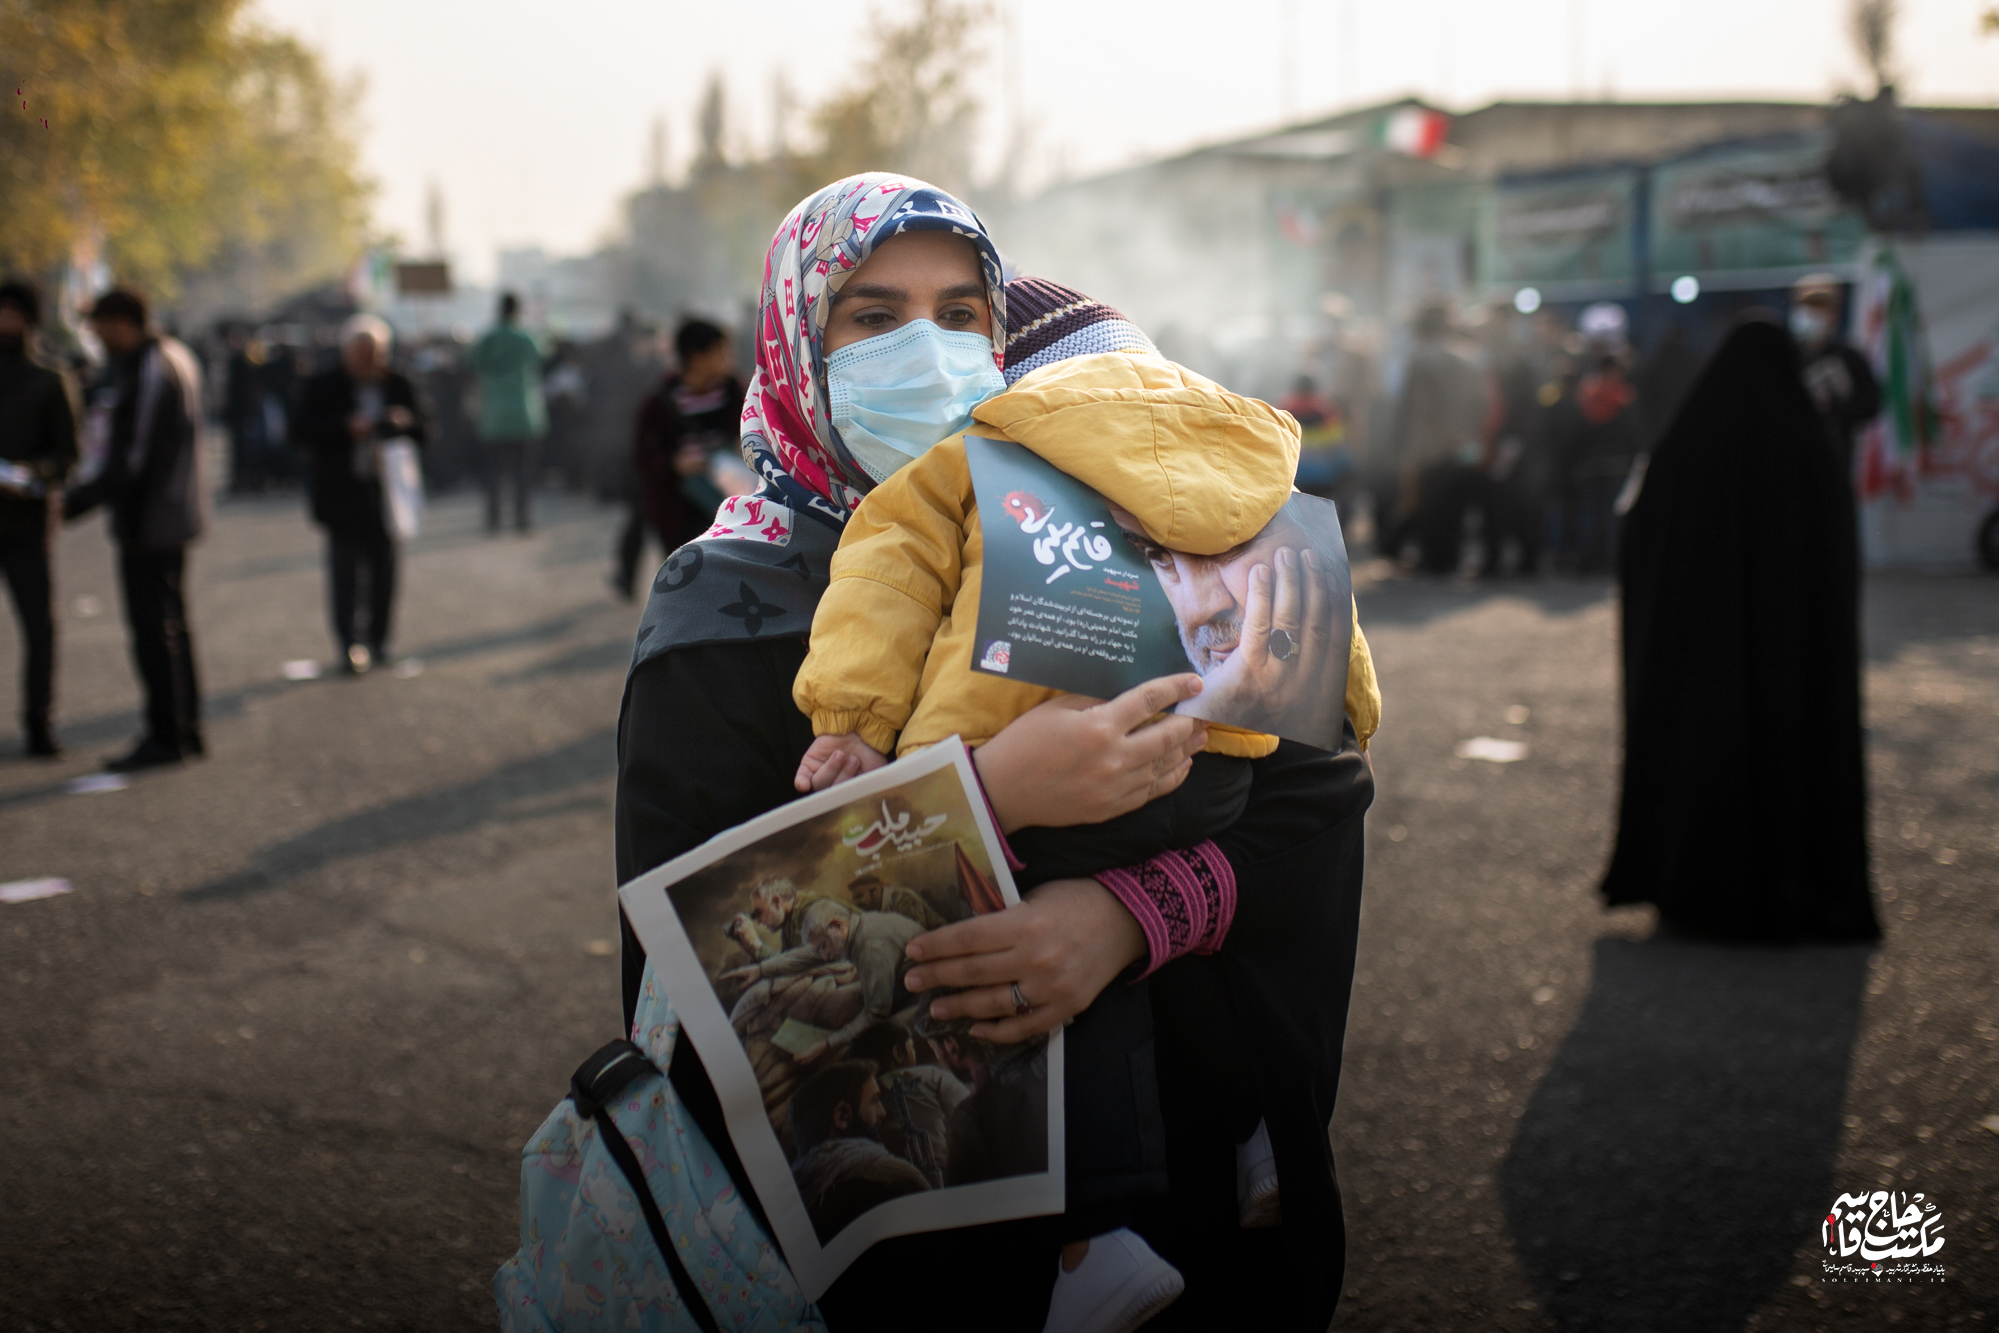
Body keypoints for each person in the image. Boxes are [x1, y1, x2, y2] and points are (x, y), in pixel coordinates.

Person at [613, 176, 1377, 1332]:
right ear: (795, 343)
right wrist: (984, 795)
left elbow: (1314, 792)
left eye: (962, 314)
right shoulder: (727, 608)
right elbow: (689, 966)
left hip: (1174, 1207)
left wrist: (1129, 913)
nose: (927, 349)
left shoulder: (1108, 538)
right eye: (872, 318)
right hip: (915, 1255)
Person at [1601, 317, 1881, 943]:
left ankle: (1697, 886)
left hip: (1705, 675)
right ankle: (1794, 885)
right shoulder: (1808, 455)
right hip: (1793, 675)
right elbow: (1835, 568)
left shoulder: (1686, 451)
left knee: (1707, 766)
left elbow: (1642, 540)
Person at [65, 290, 206, 772]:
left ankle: (167, 734)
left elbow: (132, 458)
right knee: (173, 625)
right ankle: (185, 727)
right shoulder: (175, 356)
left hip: (152, 517)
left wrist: (72, 505)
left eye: (101, 326)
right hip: (172, 512)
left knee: (153, 630)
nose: (99, 338)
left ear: (121, 323)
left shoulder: (150, 368)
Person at [294, 315, 429, 674]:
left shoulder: (398, 383)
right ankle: (349, 643)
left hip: (387, 493)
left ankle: (380, 639)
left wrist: (403, 423)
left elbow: (426, 428)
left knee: (385, 571)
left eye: (375, 356)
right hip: (342, 491)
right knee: (345, 573)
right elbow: (300, 429)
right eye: (361, 356)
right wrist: (344, 428)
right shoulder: (324, 384)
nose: (369, 364)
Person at [0, 279, 78, 758]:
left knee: (39, 628)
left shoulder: (48, 379)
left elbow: (67, 453)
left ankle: (39, 720)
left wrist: (33, 474)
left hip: (24, 520)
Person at [616, 317, 745, 600]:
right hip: (678, 508)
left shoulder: (737, 393)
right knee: (689, 583)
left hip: (729, 504)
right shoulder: (659, 403)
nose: (728, 360)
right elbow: (642, 456)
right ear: (696, 357)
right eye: (721, 353)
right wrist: (675, 464)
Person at [1385, 301, 1488, 573]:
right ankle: (1450, 559)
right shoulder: (1469, 357)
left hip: (1428, 447)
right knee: (1455, 507)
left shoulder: (1420, 360)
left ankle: (1432, 561)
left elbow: (1413, 408)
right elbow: (1480, 402)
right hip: (1462, 444)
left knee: (1429, 506)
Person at [787, 1060, 932, 1240]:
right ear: (842, 1117)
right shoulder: (899, 1180)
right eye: (874, 1101)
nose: (882, 1112)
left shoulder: (795, 1204)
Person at [845, 1022, 969, 1189]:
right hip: (953, 1178)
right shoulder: (932, 1076)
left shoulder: (857, 1104)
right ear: (897, 1053)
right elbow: (970, 1116)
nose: (914, 1054)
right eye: (912, 1048)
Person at [1789, 274, 1881, 485]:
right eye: (1807, 306)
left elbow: (1871, 405)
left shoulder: (1849, 358)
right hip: (1792, 465)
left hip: (1837, 462)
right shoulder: (1786, 357)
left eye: (1820, 307)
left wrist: (1834, 407)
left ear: (1835, 312)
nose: (1812, 314)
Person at [469, 292, 544, 534]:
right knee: (523, 473)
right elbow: (542, 356)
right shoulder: (526, 337)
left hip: (494, 417)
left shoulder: (487, 339)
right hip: (524, 414)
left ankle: (494, 520)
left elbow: (472, 362)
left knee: (493, 473)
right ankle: (522, 519)